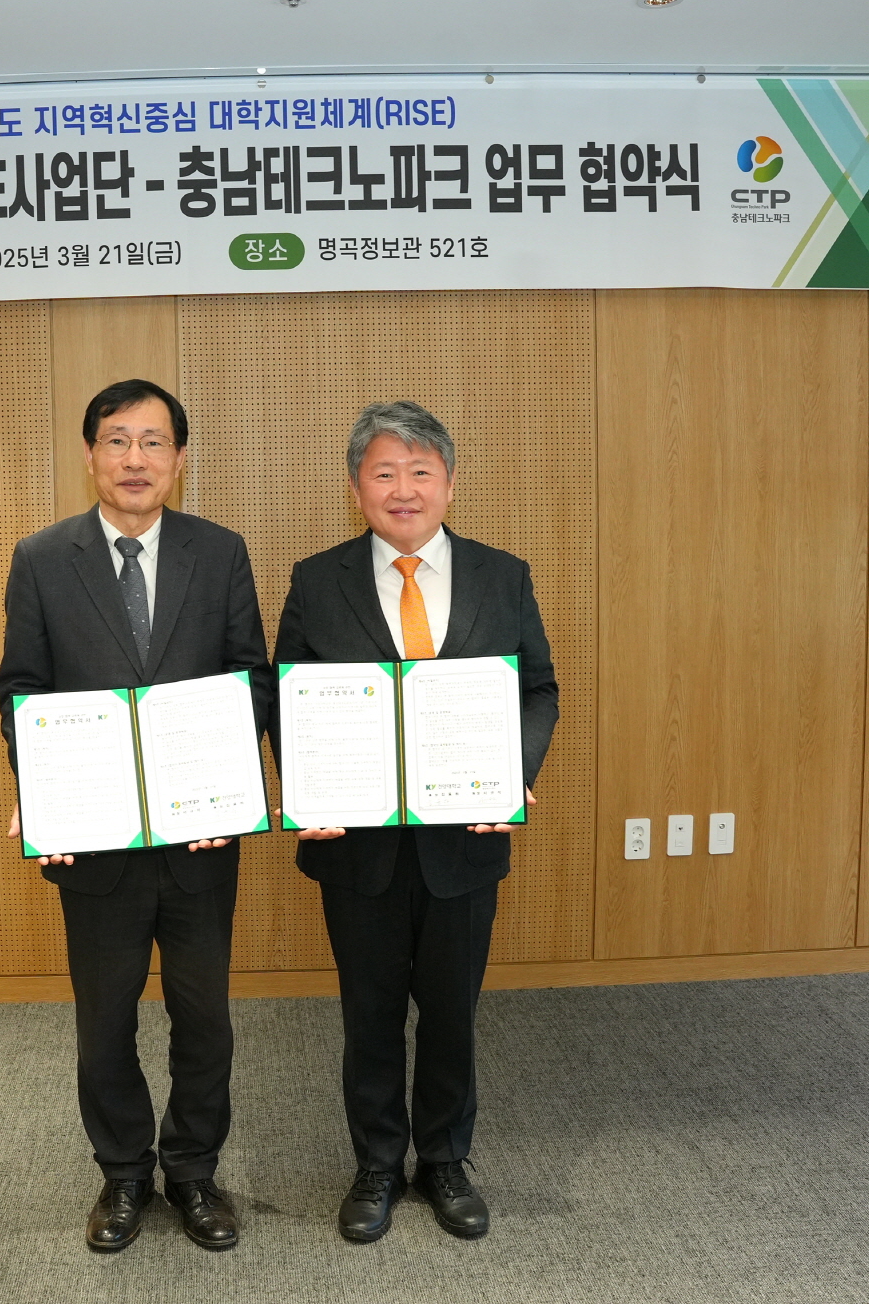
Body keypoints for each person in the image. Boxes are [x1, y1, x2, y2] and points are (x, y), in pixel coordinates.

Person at [0, 379, 272, 1253]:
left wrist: (230, 780)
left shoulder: (219, 552)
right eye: (117, 440)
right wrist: (41, 788)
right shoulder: (42, 558)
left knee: (205, 1019)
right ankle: (122, 1174)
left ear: (179, 459)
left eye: (154, 442)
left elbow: (252, 678)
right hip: (94, 842)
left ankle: (192, 1172)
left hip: (201, 837)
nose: (135, 459)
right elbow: (21, 689)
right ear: (91, 455)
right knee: (105, 1020)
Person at [273, 401, 559, 1243]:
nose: (404, 489)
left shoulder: (503, 576)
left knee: (450, 1012)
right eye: (385, 472)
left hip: (463, 842)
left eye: (421, 471)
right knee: (367, 1013)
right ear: (356, 486)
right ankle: (375, 1164)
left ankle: (443, 1159)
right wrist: (306, 788)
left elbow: (537, 689)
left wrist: (513, 773)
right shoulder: (315, 580)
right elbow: (287, 696)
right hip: (355, 846)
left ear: (450, 483)